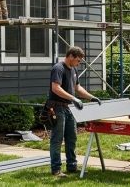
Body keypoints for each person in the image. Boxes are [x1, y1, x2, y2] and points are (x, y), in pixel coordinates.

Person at [47, 46, 101, 177]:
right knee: (57, 139)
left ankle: (72, 166)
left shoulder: (73, 69)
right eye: (78, 60)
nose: (79, 63)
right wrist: (73, 98)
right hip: (57, 107)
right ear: (70, 56)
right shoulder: (58, 68)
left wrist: (91, 97)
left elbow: (77, 87)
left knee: (72, 138)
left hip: (70, 108)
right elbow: (55, 88)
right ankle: (56, 169)